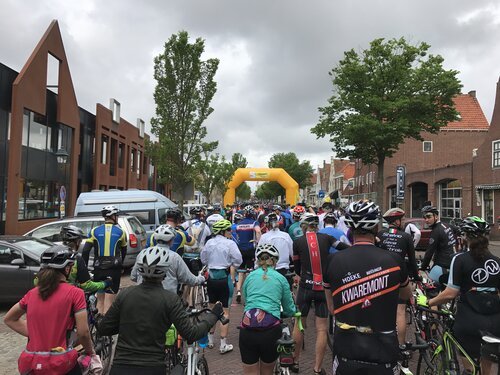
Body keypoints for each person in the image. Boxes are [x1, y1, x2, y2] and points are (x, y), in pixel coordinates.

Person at [97, 244, 226, 375]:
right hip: (152, 367)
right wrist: (213, 315)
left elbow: (104, 328)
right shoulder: (170, 300)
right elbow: (191, 333)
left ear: (140, 269)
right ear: (164, 273)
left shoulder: (125, 294)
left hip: (121, 366)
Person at [323, 200, 411, 374]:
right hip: (383, 351)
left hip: (346, 351)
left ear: (350, 230)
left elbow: (332, 307)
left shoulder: (333, 261)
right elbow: (407, 295)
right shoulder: (393, 260)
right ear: (376, 227)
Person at [419, 216, 500, 374]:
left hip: (469, 319)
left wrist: (428, 302)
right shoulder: (497, 261)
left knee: (469, 366)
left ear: (465, 236)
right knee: (487, 365)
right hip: (495, 320)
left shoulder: (460, 259)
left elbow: (450, 293)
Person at [4, 245, 95, 375]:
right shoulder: (76, 293)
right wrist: (90, 352)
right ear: (67, 268)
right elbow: (84, 332)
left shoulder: (32, 293)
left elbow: (9, 319)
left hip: (33, 365)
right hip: (61, 364)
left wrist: (36, 334)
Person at [292, 213, 341, 375]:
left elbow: (297, 268)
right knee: (321, 329)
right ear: (317, 226)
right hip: (323, 288)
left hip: (306, 287)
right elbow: (343, 247)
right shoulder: (326, 238)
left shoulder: (298, 241)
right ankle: (317, 368)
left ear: (304, 226)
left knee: (299, 324)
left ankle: (295, 362)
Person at [239, 243, 297, 375]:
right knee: (267, 371)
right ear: (275, 261)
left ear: (259, 261)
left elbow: (246, 300)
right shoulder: (281, 279)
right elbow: (288, 307)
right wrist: (291, 312)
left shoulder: (249, 278)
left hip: (247, 331)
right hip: (270, 331)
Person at [377, 207, 419, 346]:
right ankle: (400, 345)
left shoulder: (380, 234)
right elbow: (412, 261)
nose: (404, 221)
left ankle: (381, 341)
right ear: (397, 221)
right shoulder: (406, 237)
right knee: (400, 311)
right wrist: (416, 276)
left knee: (382, 309)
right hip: (399, 276)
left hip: (382, 276)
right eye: (403, 219)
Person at [201, 219, 243, 353]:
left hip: (212, 278)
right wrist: (231, 264)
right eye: (229, 230)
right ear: (224, 231)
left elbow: (203, 259)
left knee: (212, 309)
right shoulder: (230, 243)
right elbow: (238, 259)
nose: (230, 233)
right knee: (225, 311)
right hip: (224, 278)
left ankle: (210, 340)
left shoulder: (209, 242)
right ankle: (223, 344)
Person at [131, 225, 205, 294]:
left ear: (155, 239)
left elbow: (133, 276)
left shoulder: (142, 253)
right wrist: (201, 279)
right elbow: (190, 280)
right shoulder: (174, 257)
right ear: (171, 240)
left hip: (142, 296)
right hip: (166, 299)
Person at [82, 205, 127, 314]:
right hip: (114, 269)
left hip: (99, 268)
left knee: (100, 300)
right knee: (110, 302)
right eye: (116, 215)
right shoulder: (121, 232)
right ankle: (105, 329)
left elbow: (85, 251)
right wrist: (121, 266)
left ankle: (97, 327)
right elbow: (123, 252)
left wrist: (84, 268)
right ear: (112, 216)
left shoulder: (94, 231)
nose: (117, 217)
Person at [60, 225, 112, 293]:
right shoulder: (76, 258)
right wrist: (106, 283)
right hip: (69, 295)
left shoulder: (55, 254)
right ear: (77, 242)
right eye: (80, 241)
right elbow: (87, 286)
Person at [420, 205, 456, 285]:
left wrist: (422, 268)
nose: (426, 220)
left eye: (429, 217)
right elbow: (457, 231)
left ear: (436, 216)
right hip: (452, 262)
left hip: (442, 264)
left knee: (430, 285)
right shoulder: (446, 225)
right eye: (424, 218)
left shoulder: (436, 231)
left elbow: (429, 252)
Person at [235, 205, 262, 304]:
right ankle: (250, 293)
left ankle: (238, 291)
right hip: (251, 249)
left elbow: (237, 235)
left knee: (241, 271)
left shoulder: (239, 224)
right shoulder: (254, 222)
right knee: (250, 271)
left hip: (240, 249)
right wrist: (258, 242)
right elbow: (258, 231)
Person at [258, 213, 294, 283]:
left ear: (267, 224)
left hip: (269, 269)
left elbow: (258, 254)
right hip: (284, 269)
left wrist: (256, 267)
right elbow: (293, 253)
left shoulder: (264, 237)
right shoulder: (286, 236)